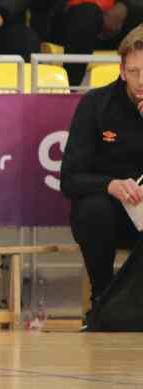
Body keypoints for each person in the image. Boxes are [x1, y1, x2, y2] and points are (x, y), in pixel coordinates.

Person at [61, 27, 143, 328]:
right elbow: (70, 178)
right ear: (121, 71)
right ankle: (102, 301)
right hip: (111, 215)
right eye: (134, 72)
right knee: (93, 209)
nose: (141, 81)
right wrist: (111, 185)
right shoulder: (96, 104)